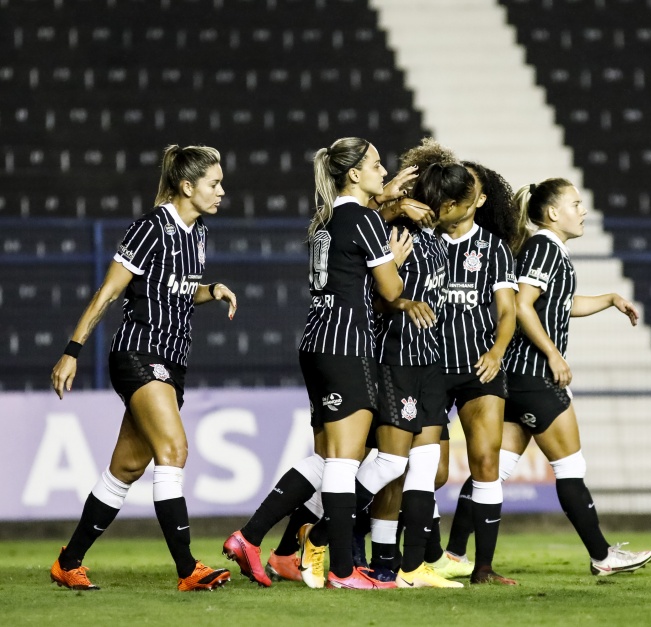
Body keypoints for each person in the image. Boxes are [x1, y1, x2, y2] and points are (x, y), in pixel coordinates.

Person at [223, 137, 413, 590]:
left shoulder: (324, 220)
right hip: (348, 346)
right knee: (346, 462)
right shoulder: (366, 220)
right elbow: (390, 292)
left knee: (328, 458)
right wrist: (397, 261)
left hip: (315, 342)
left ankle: (252, 539)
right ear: (353, 174)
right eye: (375, 164)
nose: (382, 171)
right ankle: (344, 572)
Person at [49, 145, 237, 591]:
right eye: (214, 183)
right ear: (187, 186)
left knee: (127, 469)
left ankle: (68, 561)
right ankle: (188, 568)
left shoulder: (199, 232)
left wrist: (211, 290)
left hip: (172, 362)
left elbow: (179, 290)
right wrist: (72, 350)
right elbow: (108, 293)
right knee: (173, 450)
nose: (222, 191)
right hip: (138, 354)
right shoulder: (151, 229)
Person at [448, 178, 651, 577]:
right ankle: (602, 556)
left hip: (516, 377)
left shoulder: (550, 249)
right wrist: (554, 354)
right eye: (576, 204)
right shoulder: (544, 246)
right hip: (535, 376)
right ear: (552, 213)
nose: (583, 211)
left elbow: (559, 304)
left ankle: (453, 555)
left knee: (491, 471)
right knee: (570, 467)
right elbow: (523, 305)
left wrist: (610, 299)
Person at [353, 163, 478, 589]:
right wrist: (387, 206)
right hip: (397, 359)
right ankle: (327, 529)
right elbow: (375, 298)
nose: (469, 209)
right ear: (447, 204)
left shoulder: (435, 240)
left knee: (424, 469)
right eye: (465, 202)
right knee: (391, 462)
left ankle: (408, 568)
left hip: (429, 363)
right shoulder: (399, 234)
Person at [435, 160, 519, 585]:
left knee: (486, 461)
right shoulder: (422, 239)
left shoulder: (494, 249)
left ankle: (482, 568)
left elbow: (508, 311)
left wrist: (497, 350)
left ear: (479, 201)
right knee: (431, 472)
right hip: (426, 367)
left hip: (477, 369)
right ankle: (421, 559)